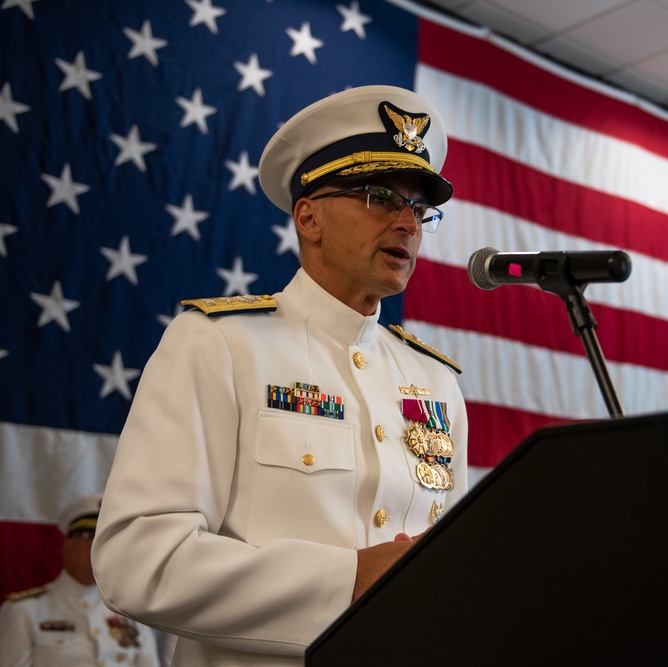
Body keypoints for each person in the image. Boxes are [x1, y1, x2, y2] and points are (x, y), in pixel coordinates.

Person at [91, 85, 468, 665]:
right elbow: (139, 561)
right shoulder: (219, 343)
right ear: (308, 217)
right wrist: (350, 580)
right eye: (379, 197)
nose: (407, 223)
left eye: (419, 208)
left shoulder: (436, 382)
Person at [0, 494, 161, 667]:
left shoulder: (131, 614)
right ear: (67, 545)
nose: (97, 547)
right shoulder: (25, 610)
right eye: (88, 536)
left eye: (106, 540)